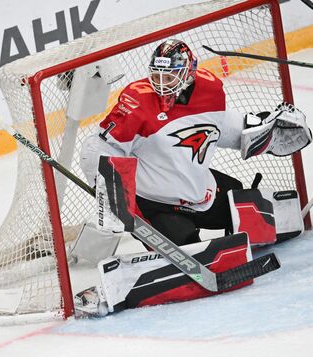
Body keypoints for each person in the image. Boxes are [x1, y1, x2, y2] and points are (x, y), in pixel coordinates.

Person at [73, 38, 310, 316]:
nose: (162, 81)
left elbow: (221, 126)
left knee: (244, 207)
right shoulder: (137, 101)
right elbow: (97, 147)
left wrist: (263, 128)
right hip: (155, 202)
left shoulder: (209, 89)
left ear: (189, 72)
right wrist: (110, 195)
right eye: (157, 73)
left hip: (201, 192)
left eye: (170, 73)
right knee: (187, 249)